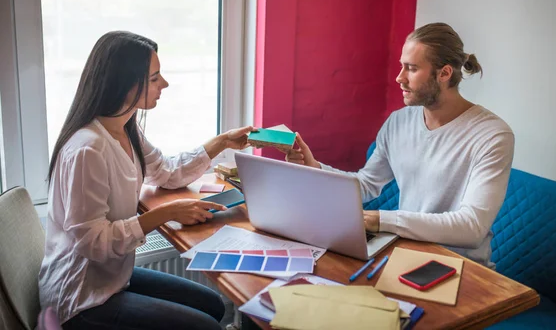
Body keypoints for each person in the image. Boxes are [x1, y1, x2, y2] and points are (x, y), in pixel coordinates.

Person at [39, 31, 254, 329]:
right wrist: (164, 214)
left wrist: (222, 142)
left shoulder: (125, 129)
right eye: (154, 78)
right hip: (80, 298)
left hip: (110, 279)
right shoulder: (88, 148)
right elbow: (92, 242)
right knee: (206, 326)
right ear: (125, 84)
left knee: (214, 305)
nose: (163, 84)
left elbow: (167, 172)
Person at [286, 23, 514, 268]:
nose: (399, 77)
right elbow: (366, 184)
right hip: (406, 254)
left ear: (445, 73)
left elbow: (472, 228)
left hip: (461, 267)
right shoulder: (398, 121)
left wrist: (381, 220)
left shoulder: (492, 135)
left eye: (412, 68)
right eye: (402, 66)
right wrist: (315, 168)